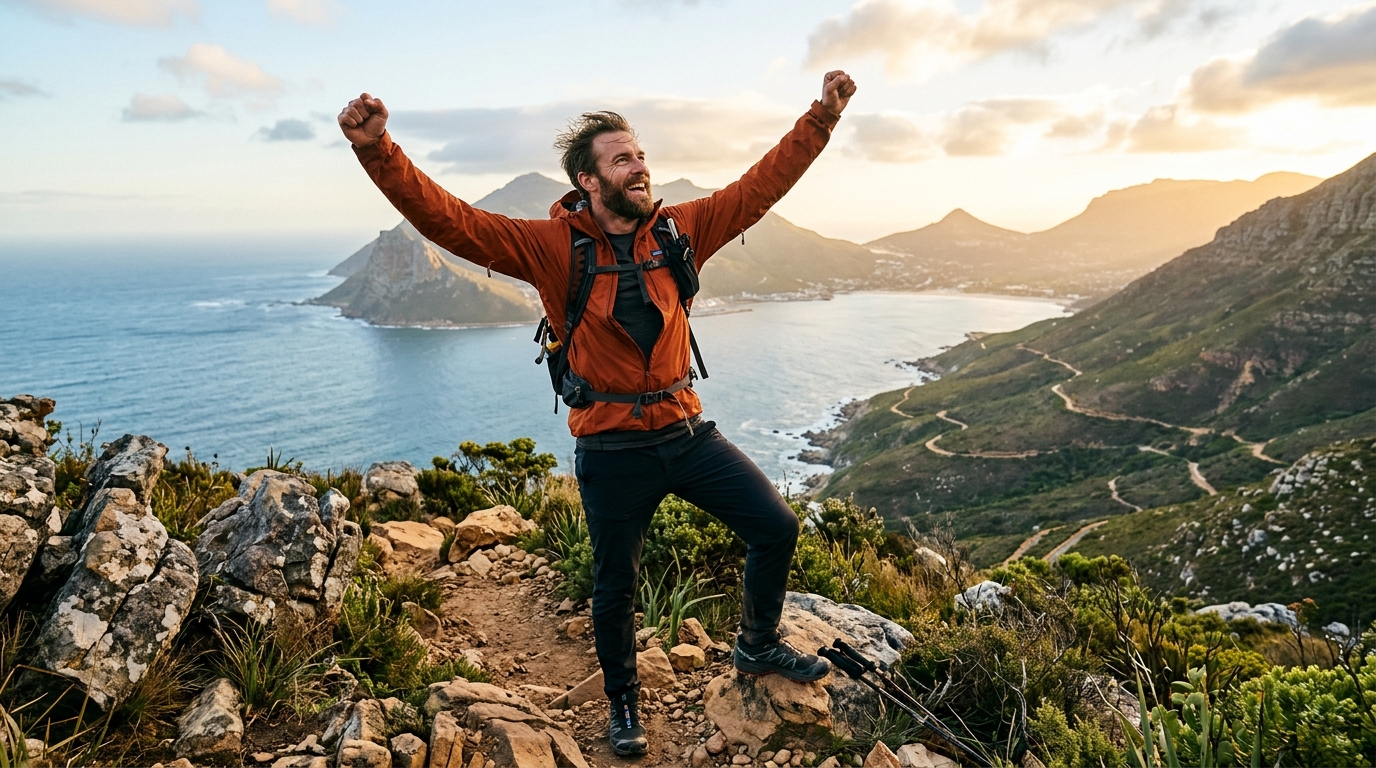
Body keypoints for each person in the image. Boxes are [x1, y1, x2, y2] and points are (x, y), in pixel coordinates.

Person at [338, 70, 857, 756]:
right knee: (615, 584)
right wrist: (377, 149)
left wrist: (822, 117)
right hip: (612, 449)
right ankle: (623, 704)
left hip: (686, 432)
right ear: (588, 181)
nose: (639, 167)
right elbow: (453, 222)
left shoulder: (677, 231)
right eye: (621, 160)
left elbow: (760, 187)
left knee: (777, 526)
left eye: (640, 156)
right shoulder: (554, 247)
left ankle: (757, 645)